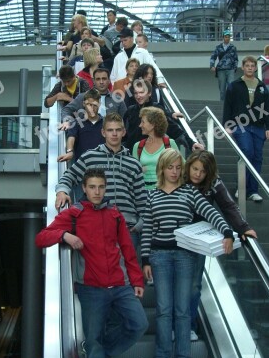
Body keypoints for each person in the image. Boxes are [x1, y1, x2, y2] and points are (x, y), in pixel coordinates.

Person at [36, 168, 148, 358]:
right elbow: (41, 237)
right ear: (84, 189)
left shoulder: (115, 215)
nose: (97, 192)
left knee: (139, 324)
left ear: (105, 188)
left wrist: (137, 281)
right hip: (91, 289)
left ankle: (97, 352)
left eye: (101, 187)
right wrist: (65, 235)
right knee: (93, 338)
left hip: (120, 286)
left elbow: (128, 250)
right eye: (92, 187)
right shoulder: (75, 214)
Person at [141, 149, 234, 358]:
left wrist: (228, 232)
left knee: (182, 310)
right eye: (170, 167)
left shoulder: (190, 193)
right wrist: (145, 259)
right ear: (161, 168)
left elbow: (211, 212)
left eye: (178, 167)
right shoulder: (151, 196)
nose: (174, 172)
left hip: (185, 256)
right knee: (164, 310)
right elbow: (147, 231)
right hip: (159, 257)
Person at [184, 150, 257, 339]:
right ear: (189, 166)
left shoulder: (214, 183)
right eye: (195, 169)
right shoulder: (179, 178)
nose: (198, 174)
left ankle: (189, 326)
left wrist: (243, 228)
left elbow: (228, 206)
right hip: (175, 237)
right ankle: (174, 326)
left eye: (203, 171)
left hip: (199, 240)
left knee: (193, 285)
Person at [55, 113, 147, 248]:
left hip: (128, 228)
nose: (114, 134)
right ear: (103, 132)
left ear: (124, 132)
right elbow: (69, 176)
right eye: (110, 130)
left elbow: (141, 198)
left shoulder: (134, 163)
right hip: (97, 226)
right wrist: (62, 191)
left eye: (118, 130)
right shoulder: (90, 157)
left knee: (128, 269)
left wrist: (141, 224)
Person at [223, 56, 269, 202]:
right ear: (242, 67)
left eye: (253, 65)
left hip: (258, 127)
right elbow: (228, 106)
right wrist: (227, 124)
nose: (250, 67)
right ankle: (242, 187)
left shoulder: (262, 86)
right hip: (241, 125)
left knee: (257, 157)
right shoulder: (234, 85)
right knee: (247, 152)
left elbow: (267, 109)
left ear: (256, 68)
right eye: (247, 65)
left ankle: (253, 191)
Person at [123, 79, 201, 155]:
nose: (138, 96)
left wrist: (191, 143)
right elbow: (124, 132)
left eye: (141, 92)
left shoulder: (157, 109)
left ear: (149, 93)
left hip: (151, 153)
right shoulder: (130, 110)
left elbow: (174, 129)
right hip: (131, 153)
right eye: (136, 93)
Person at [60, 67, 126, 128]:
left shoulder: (118, 99)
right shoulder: (82, 97)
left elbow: (126, 120)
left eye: (104, 79)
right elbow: (66, 110)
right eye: (98, 79)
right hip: (86, 135)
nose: (101, 82)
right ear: (93, 81)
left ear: (109, 81)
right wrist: (67, 121)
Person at [132, 107, 179, 190]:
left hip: (165, 193)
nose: (140, 125)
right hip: (143, 193)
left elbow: (181, 167)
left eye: (143, 122)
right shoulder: (138, 146)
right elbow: (133, 173)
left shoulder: (169, 144)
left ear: (153, 124)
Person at [58, 89, 103, 163]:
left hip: (102, 165)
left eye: (95, 105)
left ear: (99, 104)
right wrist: (70, 151)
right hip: (82, 166)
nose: (92, 108)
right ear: (84, 104)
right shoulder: (76, 123)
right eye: (89, 104)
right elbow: (71, 138)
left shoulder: (105, 123)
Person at [209, 30, 238, 101]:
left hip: (230, 69)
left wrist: (235, 68)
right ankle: (222, 103)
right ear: (223, 37)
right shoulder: (218, 47)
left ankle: (231, 102)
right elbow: (213, 57)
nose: (227, 38)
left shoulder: (233, 47)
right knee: (222, 89)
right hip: (221, 70)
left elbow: (236, 59)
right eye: (226, 37)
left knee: (231, 87)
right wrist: (212, 66)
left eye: (228, 37)